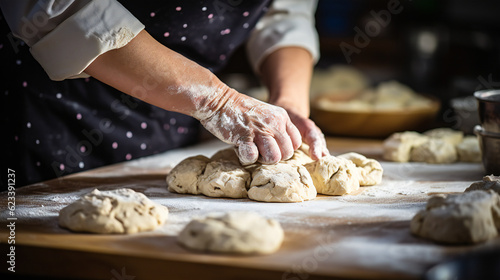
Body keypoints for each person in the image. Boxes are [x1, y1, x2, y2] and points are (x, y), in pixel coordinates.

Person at [0, 0, 329, 189]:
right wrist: (219, 102)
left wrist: (287, 105)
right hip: (56, 113)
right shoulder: (215, 102)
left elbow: (283, 13)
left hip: (178, 114)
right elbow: (60, 7)